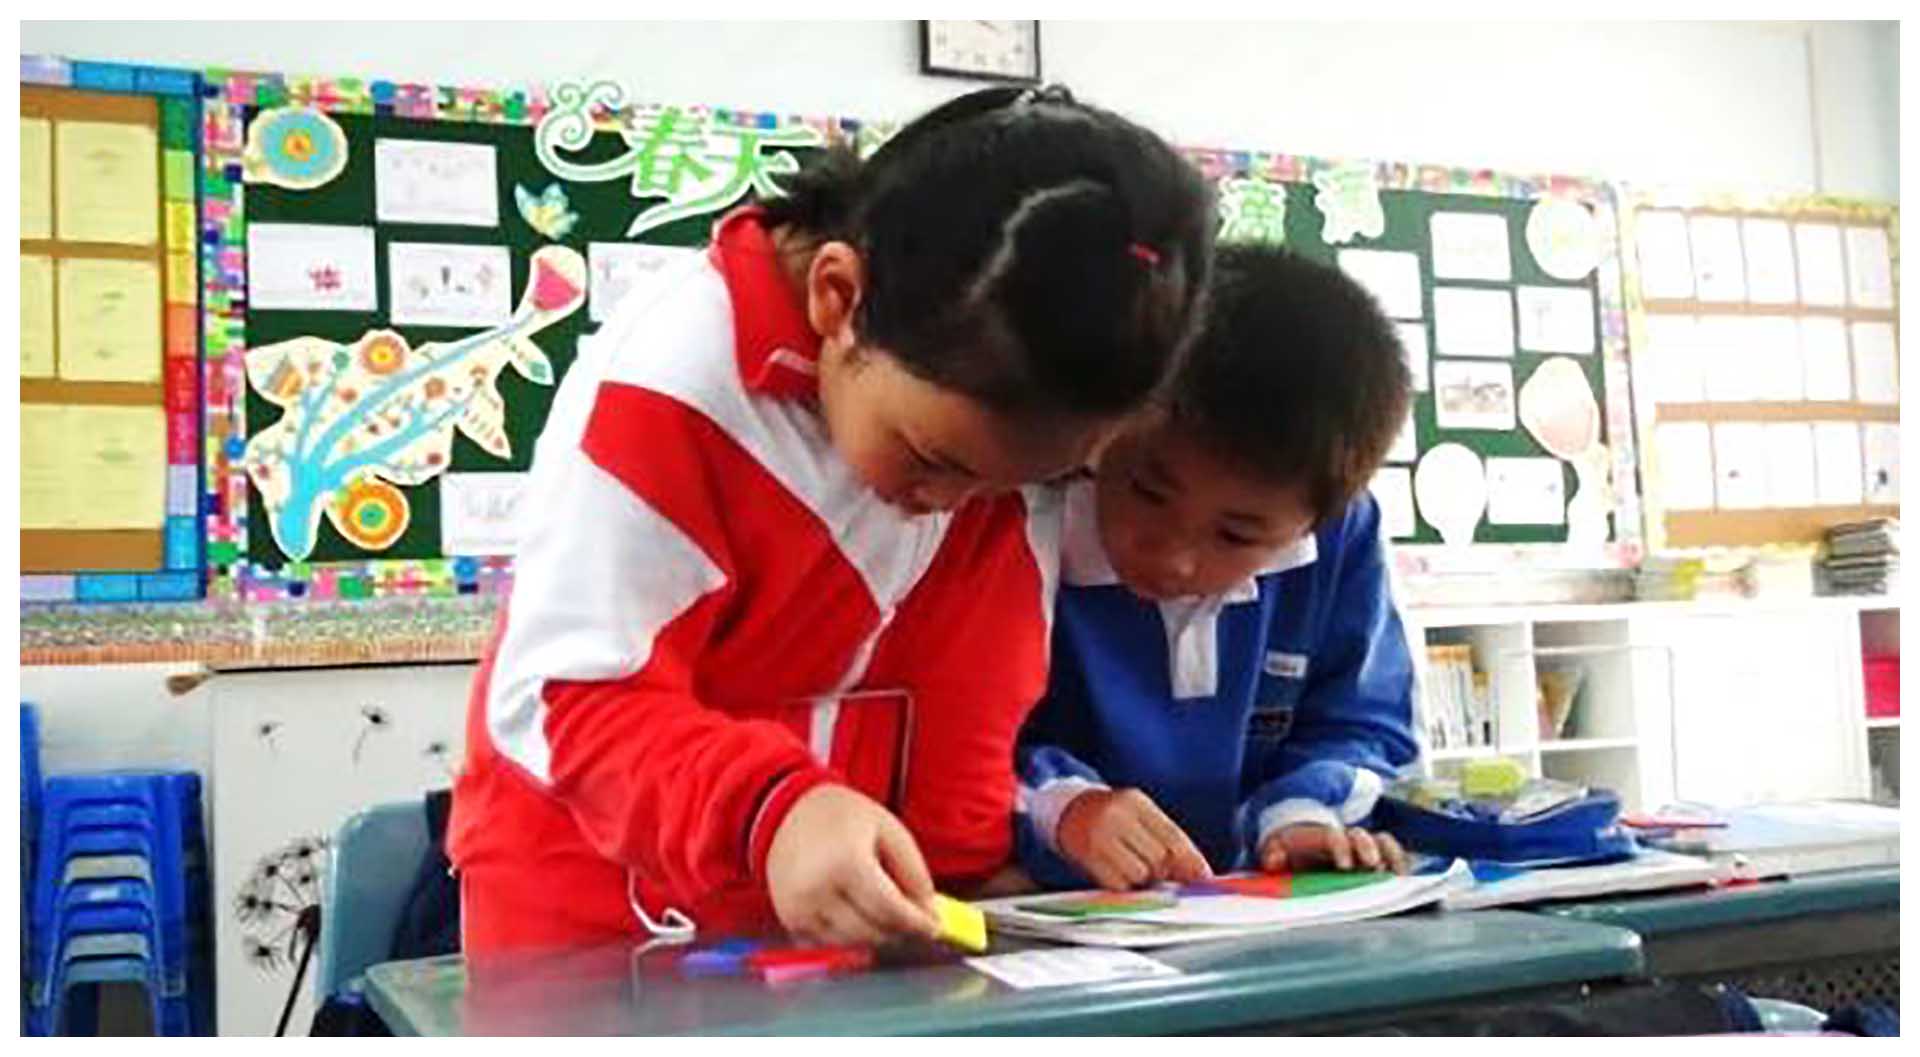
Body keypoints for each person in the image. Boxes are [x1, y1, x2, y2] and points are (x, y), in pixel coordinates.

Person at [450, 85, 1214, 950]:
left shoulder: (1010, 396)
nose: (952, 506)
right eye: (934, 459)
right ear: (839, 297)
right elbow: (567, 698)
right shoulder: (675, 389)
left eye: (1024, 484)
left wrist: (970, 873)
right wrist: (772, 810)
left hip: (856, 915)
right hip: (603, 921)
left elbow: (972, 679)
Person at [1015, 242, 1419, 892]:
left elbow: (1363, 723)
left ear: (1311, 523)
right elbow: (953, 739)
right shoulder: (1020, 514)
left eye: (1236, 535)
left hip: (1245, 917)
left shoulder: (1342, 535)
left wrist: (1302, 815)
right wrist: (1062, 806)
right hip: (1046, 909)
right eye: (1148, 491)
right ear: (1109, 429)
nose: (1172, 557)